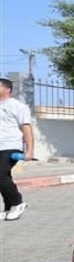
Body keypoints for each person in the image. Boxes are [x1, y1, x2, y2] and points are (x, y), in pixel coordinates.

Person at [0, 78, 34, 221]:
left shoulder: (18, 106)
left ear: (7, 89)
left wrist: (30, 150)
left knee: (0, 175)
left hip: (11, 146)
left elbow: (26, 129)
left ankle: (17, 203)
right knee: (4, 176)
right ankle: (8, 208)